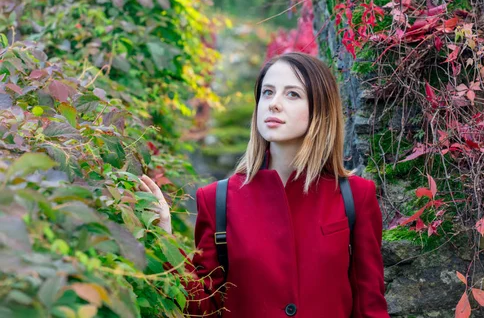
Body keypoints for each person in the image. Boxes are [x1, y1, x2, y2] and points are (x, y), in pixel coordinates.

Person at [138, 52, 389, 317]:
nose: (274, 104)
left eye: (292, 94)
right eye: (268, 93)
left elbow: (370, 307)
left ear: (320, 109)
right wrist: (163, 237)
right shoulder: (218, 200)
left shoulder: (355, 197)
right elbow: (201, 308)